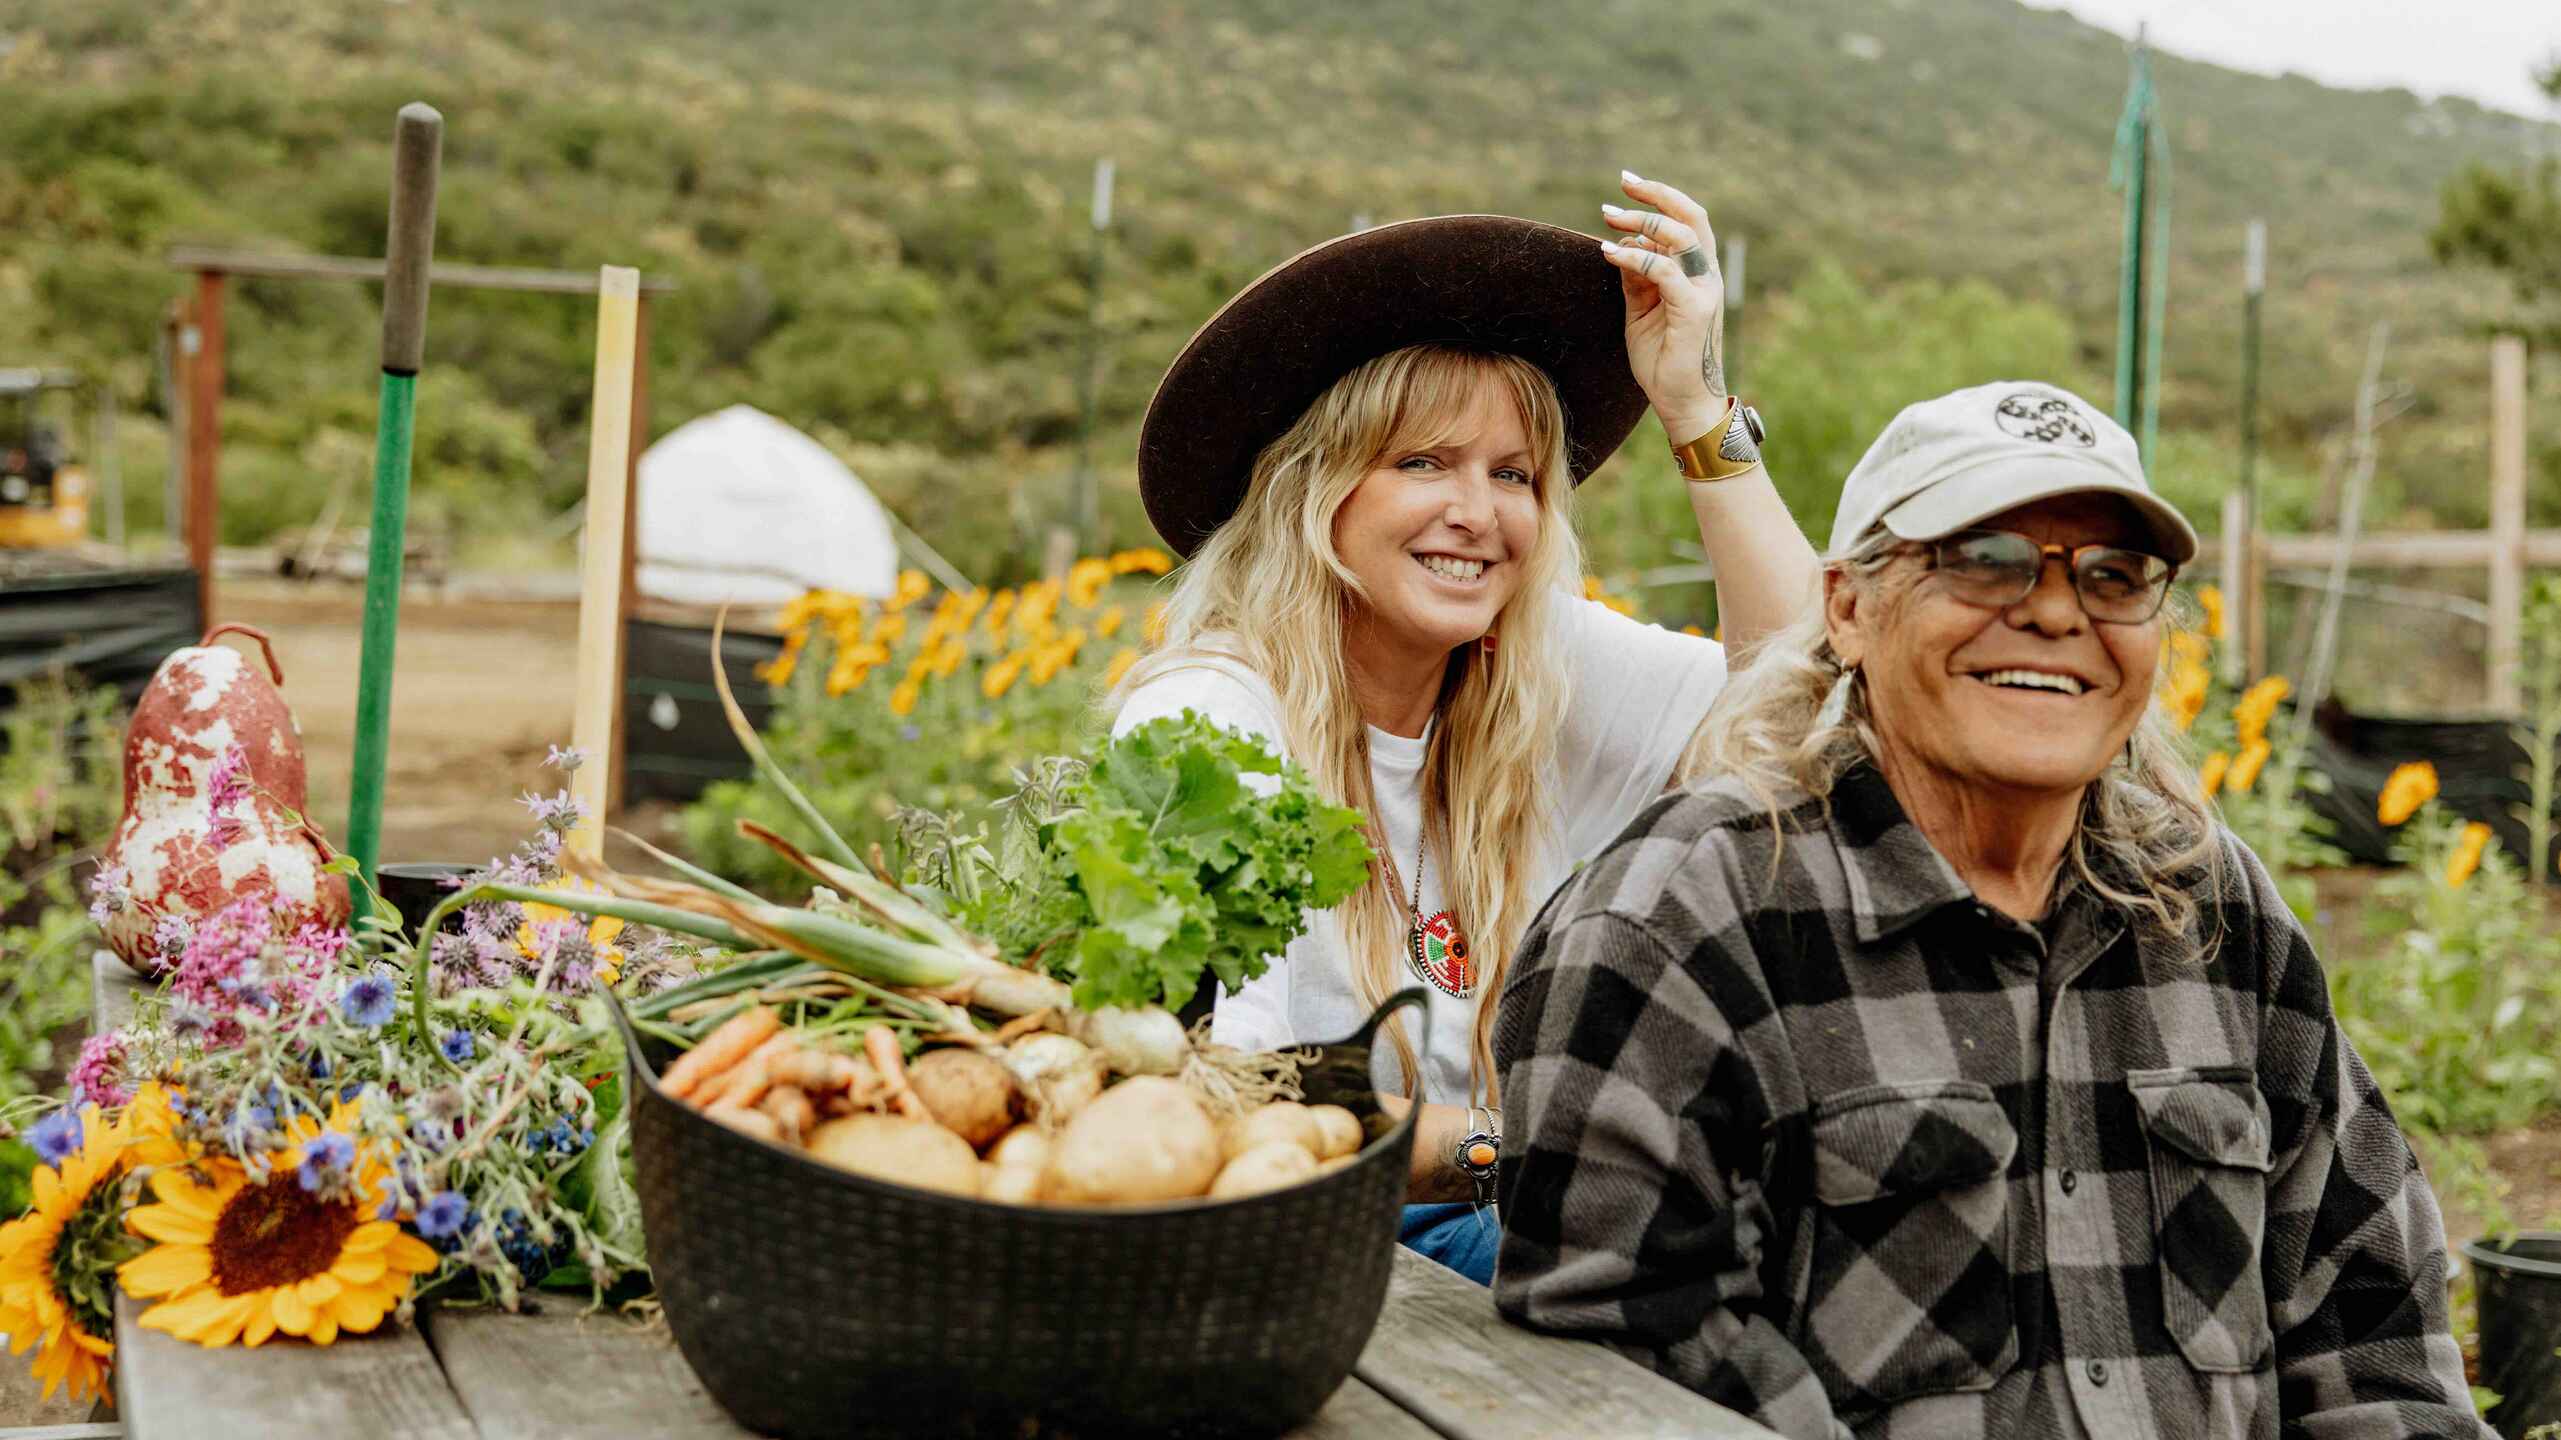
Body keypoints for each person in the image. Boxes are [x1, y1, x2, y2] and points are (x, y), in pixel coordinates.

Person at [1491, 380, 2488, 1437]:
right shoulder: (1678, 923)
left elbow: (2371, 1329)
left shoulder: (2210, 909)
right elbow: (1630, 1371)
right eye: (1982, 559)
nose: (2057, 611)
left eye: (2112, 575)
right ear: (1845, 608)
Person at [1116, 177, 1820, 1284]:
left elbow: (1800, 703)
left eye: (1513, 475)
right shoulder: (1208, 722)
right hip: (1284, 1238)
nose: (1477, 514)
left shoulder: (1532, 670)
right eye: (1421, 463)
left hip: (1486, 1220)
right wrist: (1513, 1152)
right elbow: (1216, 1098)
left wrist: (1696, 413)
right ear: (1315, 491)